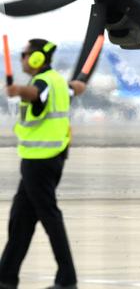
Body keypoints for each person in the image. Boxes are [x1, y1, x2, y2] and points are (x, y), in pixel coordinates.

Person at [0, 39, 86, 289]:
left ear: (37, 58)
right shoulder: (59, 82)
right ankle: (6, 276)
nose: (22, 59)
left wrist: (18, 91)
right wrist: (79, 85)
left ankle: (67, 278)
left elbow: (37, 94)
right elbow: (76, 88)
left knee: (49, 216)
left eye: (25, 55)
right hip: (48, 158)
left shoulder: (42, 83)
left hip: (39, 160)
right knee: (20, 218)